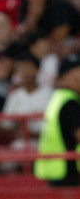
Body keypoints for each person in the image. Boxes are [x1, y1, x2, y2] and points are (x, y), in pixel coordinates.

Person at [35, 54, 80, 187]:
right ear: (66, 76)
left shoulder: (58, 98)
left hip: (56, 169)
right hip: (69, 170)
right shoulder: (71, 103)